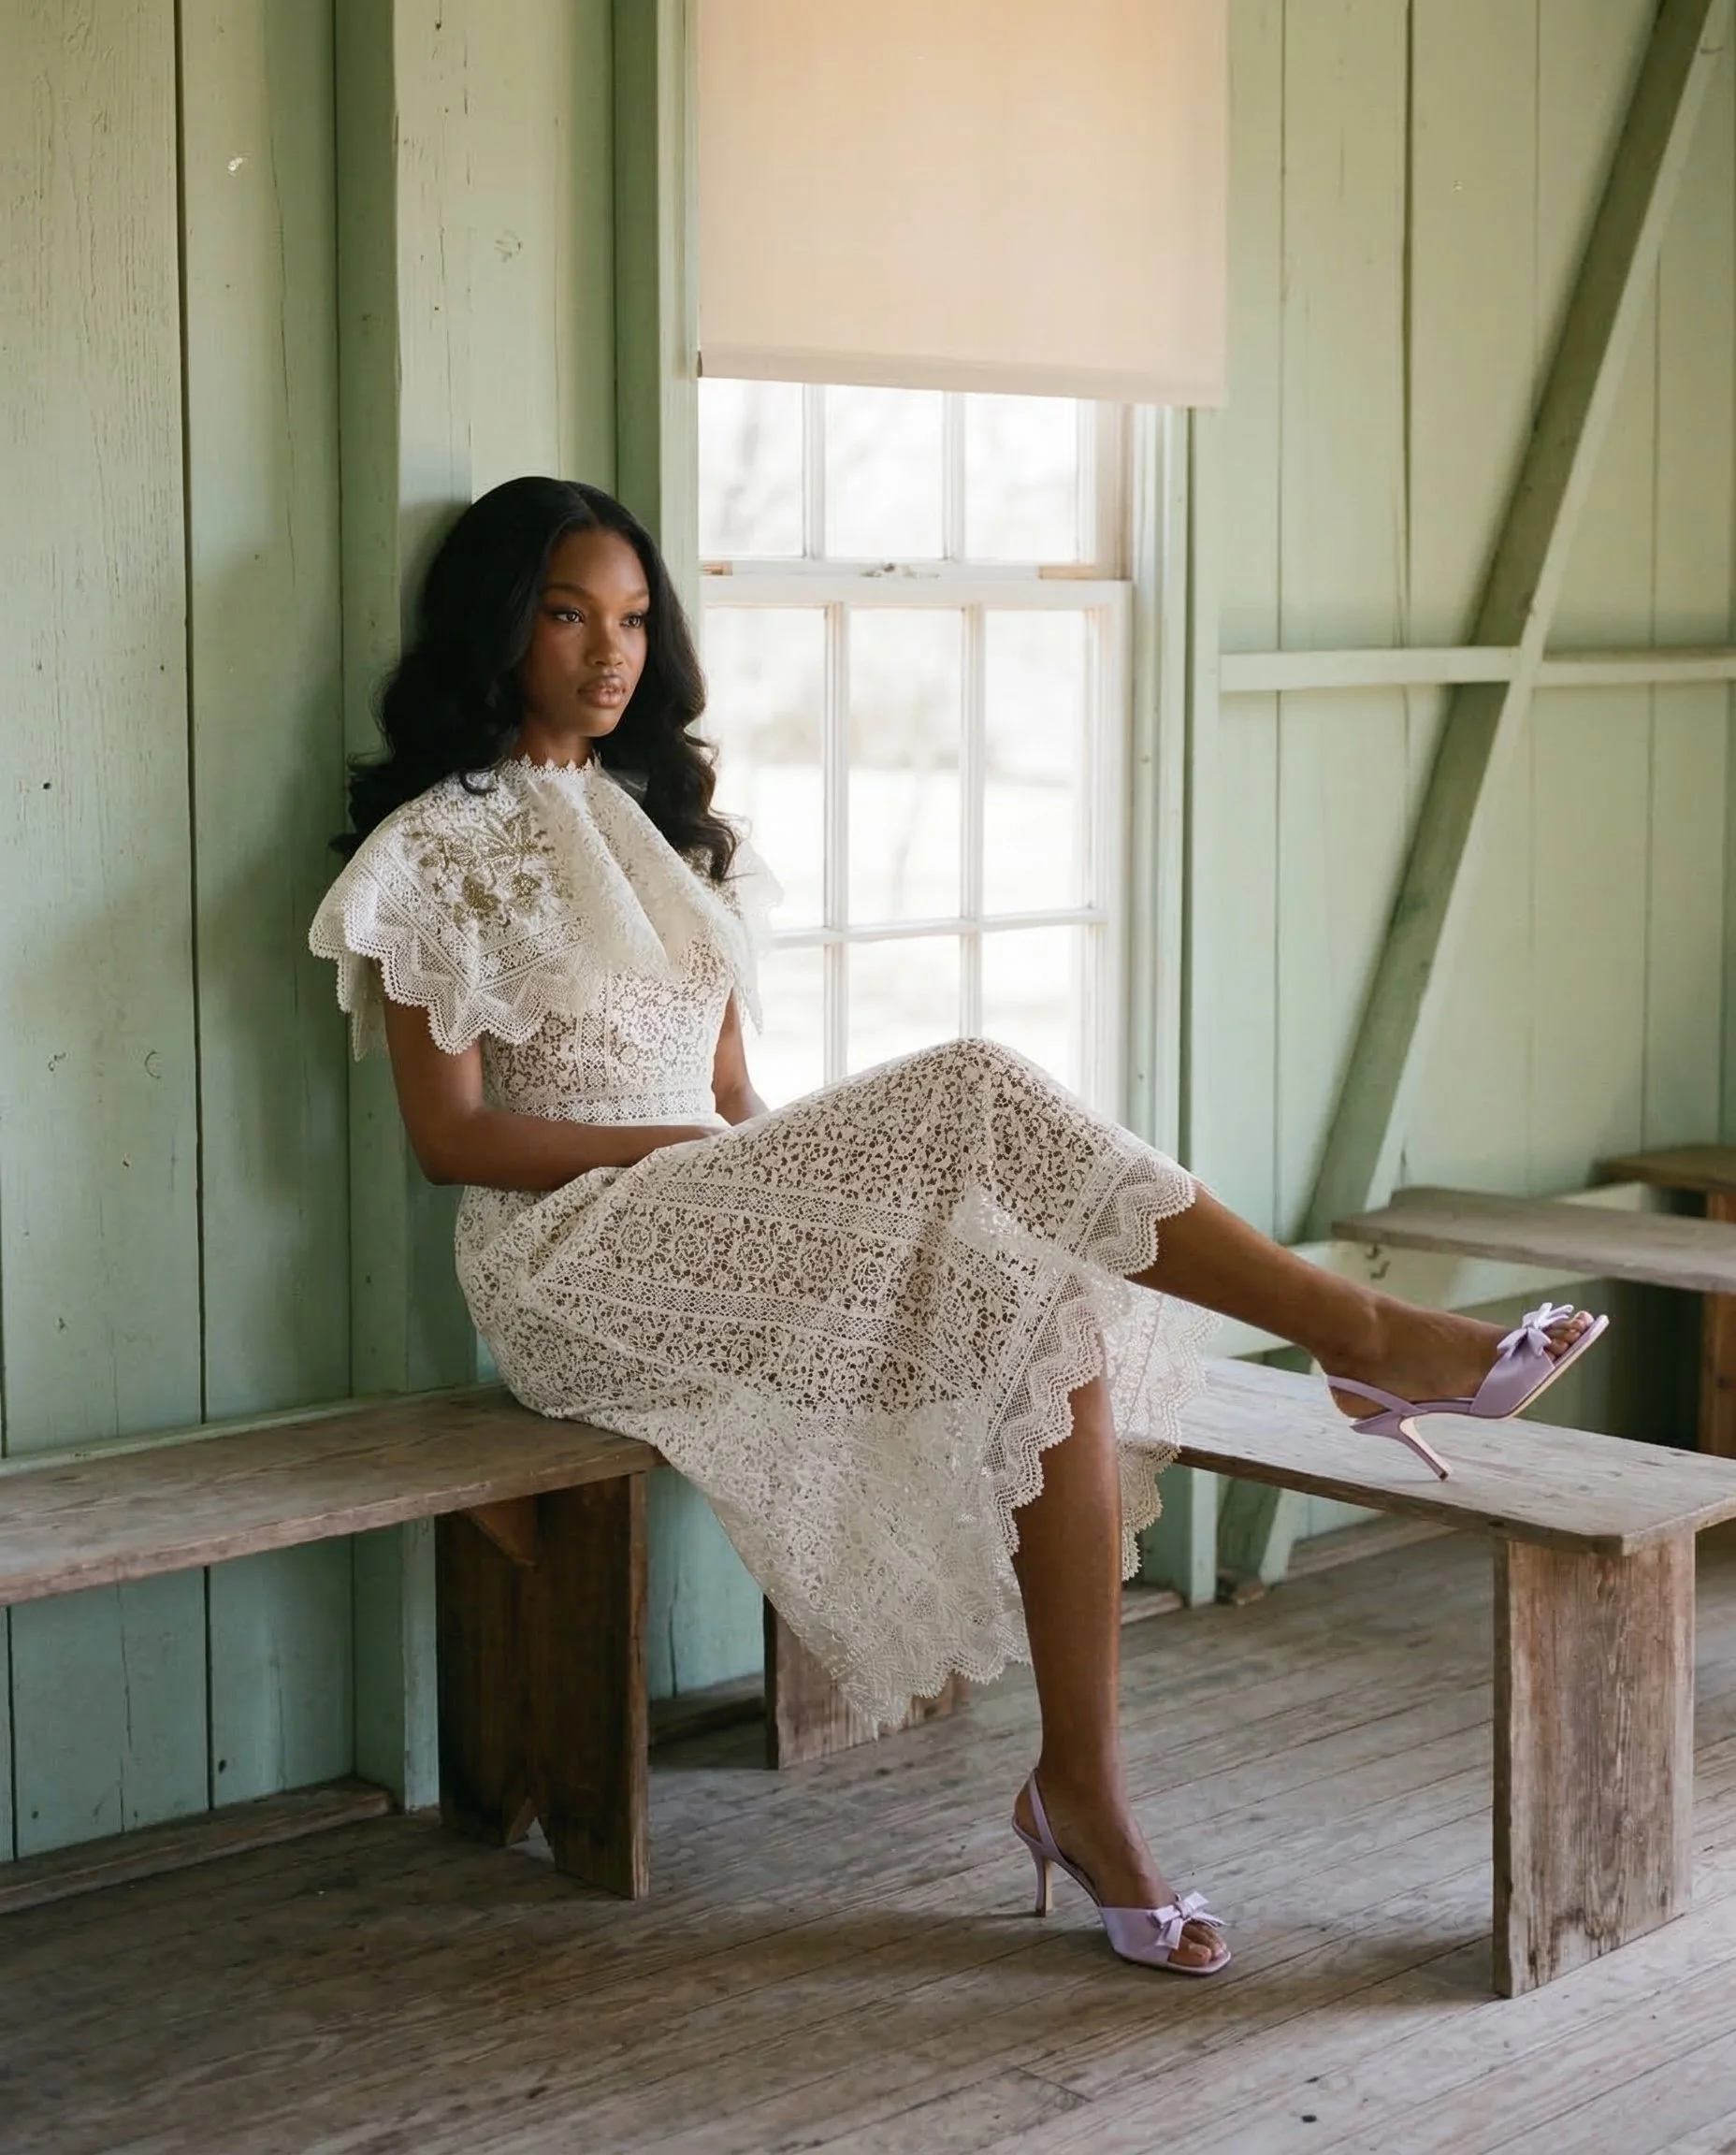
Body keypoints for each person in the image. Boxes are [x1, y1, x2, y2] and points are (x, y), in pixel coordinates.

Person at [311, 476, 1604, 1978]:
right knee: (976, 1084)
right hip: (569, 1259)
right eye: (567, 614)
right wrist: (698, 1154)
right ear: (498, 627)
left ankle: (1085, 1795)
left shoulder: (679, 837)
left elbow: (733, 1097)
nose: (611, 651)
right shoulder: (429, 854)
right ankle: (1369, 1339)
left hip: (699, 1214)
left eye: (634, 617)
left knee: (1042, 1322)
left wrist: (786, 1184)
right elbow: (449, 1140)